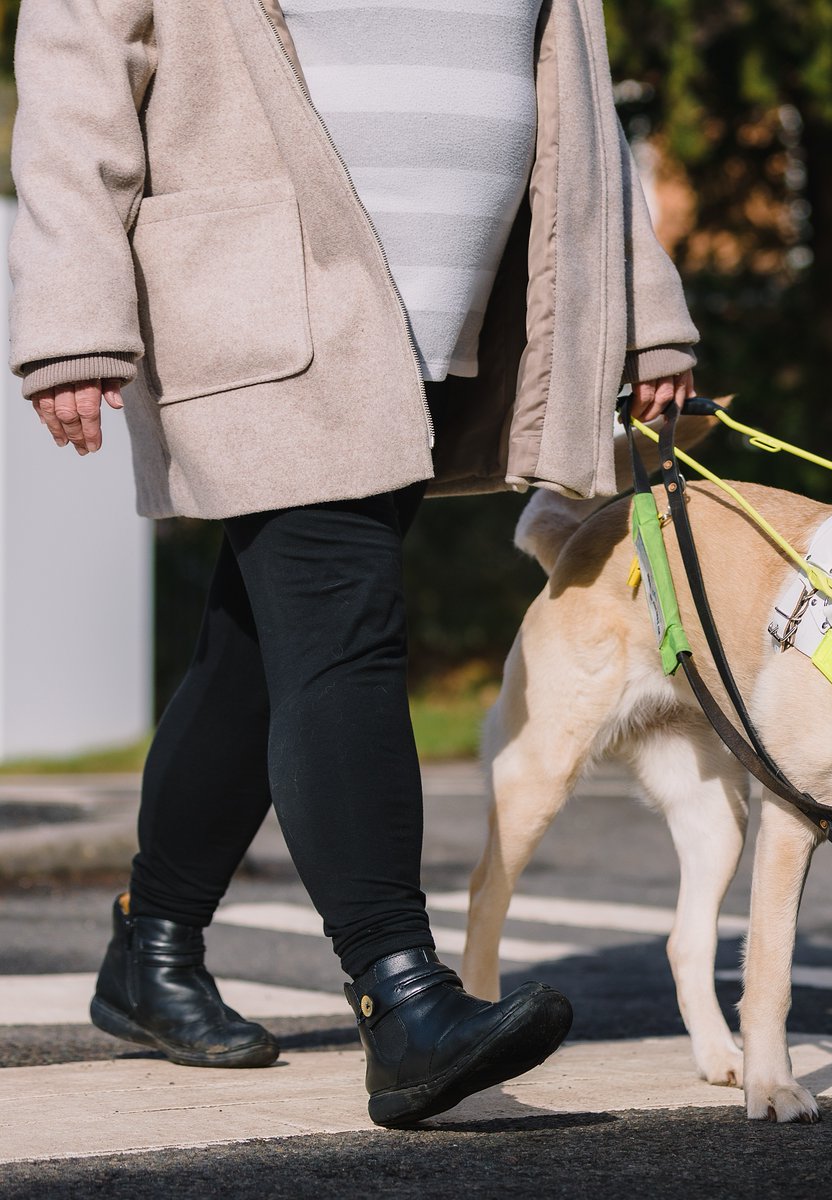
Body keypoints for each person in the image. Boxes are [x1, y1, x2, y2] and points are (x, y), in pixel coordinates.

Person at [7, 0, 698, 1127]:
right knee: (342, 621)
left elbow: (580, 101)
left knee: (261, 648)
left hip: (443, 321)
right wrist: (72, 317)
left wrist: (642, 312)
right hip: (262, 291)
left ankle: (152, 946)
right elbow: (78, 63)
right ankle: (403, 996)